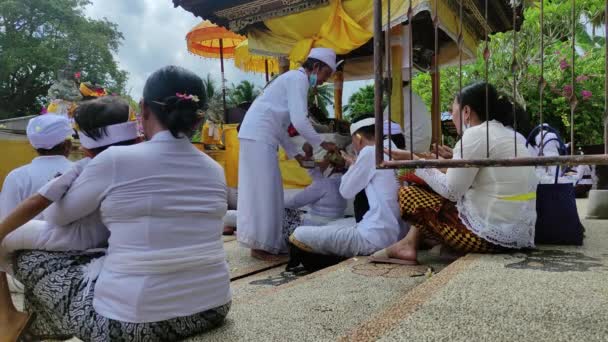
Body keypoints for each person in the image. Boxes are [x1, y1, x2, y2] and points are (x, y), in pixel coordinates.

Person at [1, 66, 232, 341]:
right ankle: (33, 329)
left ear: (144, 109)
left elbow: (57, 218)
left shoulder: (113, 161)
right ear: (197, 119)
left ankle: (8, 320)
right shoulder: (215, 170)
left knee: (27, 254)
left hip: (133, 325)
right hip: (214, 308)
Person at [372, 82, 538, 265]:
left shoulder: (476, 134)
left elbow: (452, 190)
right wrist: (424, 161)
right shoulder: (506, 133)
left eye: (453, 111)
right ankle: (410, 244)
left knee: (409, 194)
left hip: (490, 236)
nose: (451, 117)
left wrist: (416, 162)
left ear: (466, 112)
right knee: (429, 185)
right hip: (519, 236)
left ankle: (410, 245)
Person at [237, 48, 339, 259]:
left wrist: (297, 155)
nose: (323, 82)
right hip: (258, 135)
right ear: (316, 67)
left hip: (260, 136)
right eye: (325, 75)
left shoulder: (293, 79)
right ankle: (261, 246)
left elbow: (283, 127)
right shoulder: (297, 79)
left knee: (269, 190)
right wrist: (322, 143)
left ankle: (266, 243)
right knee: (264, 191)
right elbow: (300, 121)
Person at [289, 115, 406, 259]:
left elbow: (346, 191)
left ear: (357, 139)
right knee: (337, 225)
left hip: (376, 237)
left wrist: (353, 166)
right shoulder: (392, 150)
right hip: (398, 234)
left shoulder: (369, 152)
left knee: (299, 233)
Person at [0, 115, 73, 219]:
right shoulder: (81, 172)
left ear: (34, 146)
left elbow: (6, 219)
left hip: (25, 235)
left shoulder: (17, 176)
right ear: (68, 145)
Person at [383, 79, 432, 153]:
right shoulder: (415, 97)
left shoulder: (397, 101)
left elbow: (383, 130)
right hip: (423, 149)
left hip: (408, 151)